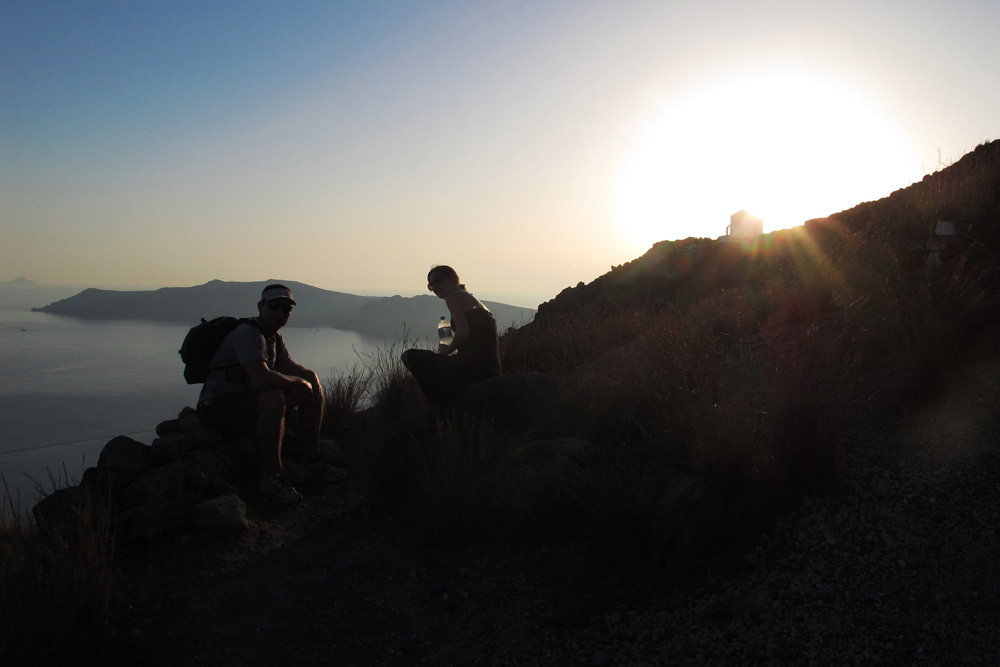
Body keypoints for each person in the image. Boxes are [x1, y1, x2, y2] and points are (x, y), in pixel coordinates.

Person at [197, 284, 344, 503]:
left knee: (310, 383)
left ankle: (312, 460)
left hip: (243, 402)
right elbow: (261, 378)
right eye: (274, 306)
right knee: (273, 395)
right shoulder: (248, 334)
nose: (280, 313)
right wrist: (298, 382)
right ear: (261, 306)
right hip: (217, 409)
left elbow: (288, 367)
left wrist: (309, 379)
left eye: (286, 309)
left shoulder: (273, 338)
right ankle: (272, 475)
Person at [401, 266, 501, 406]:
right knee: (422, 390)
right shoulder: (471, 300)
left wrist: (447, 351)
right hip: (489, 368)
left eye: (438, 281)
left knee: (408, 356)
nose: (435, 287)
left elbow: (463, 332)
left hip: (472, 368)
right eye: (431, 285)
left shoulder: (452, 297)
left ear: (453, 279)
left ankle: (438, 413)